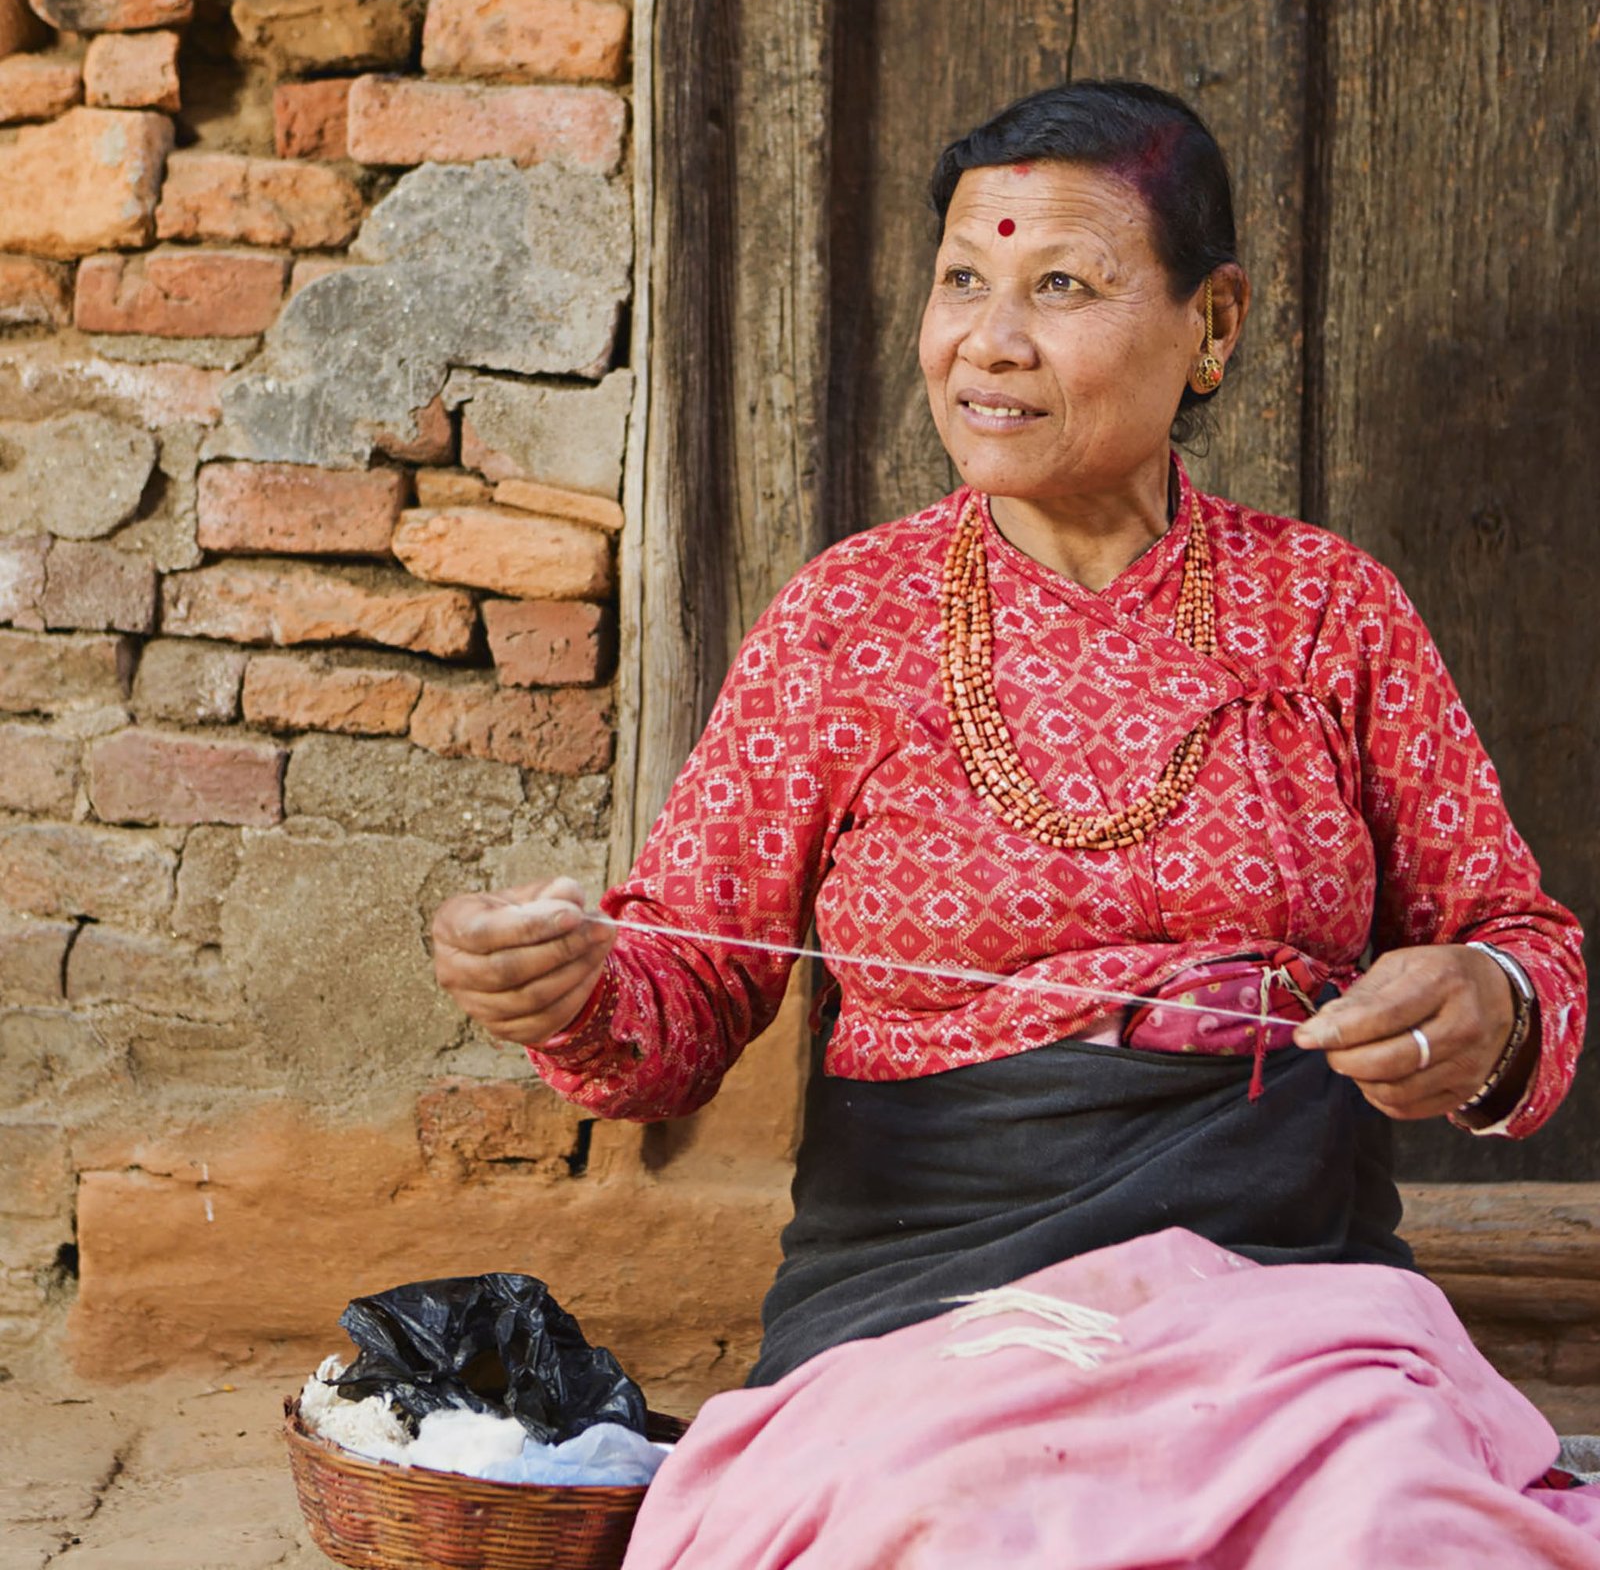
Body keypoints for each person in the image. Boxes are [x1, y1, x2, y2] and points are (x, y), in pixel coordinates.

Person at [433, 80, 1594, 1564]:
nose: (988, 339)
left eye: (1061, 286)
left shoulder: (1328, 613)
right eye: (962, 282)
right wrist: (574, 986)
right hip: (938, 1303)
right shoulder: (847, 619)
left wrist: (1482, 1005)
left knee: (1392, 1529)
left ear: (1214, 325)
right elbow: (678, 1003)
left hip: (1284, 1285)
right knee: (960, 1531)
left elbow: (1522, 946)